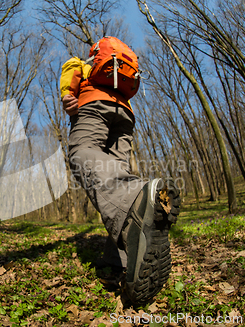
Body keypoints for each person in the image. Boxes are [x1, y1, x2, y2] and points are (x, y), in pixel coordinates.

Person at [60, 38, 181, 304]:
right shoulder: (122, 74)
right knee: (115, 170)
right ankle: (121, 258)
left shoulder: (86, 63)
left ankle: (137, 195)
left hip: (93, 105)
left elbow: (71, 68)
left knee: (82, 152)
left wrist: (68, 93)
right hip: (125, 114)